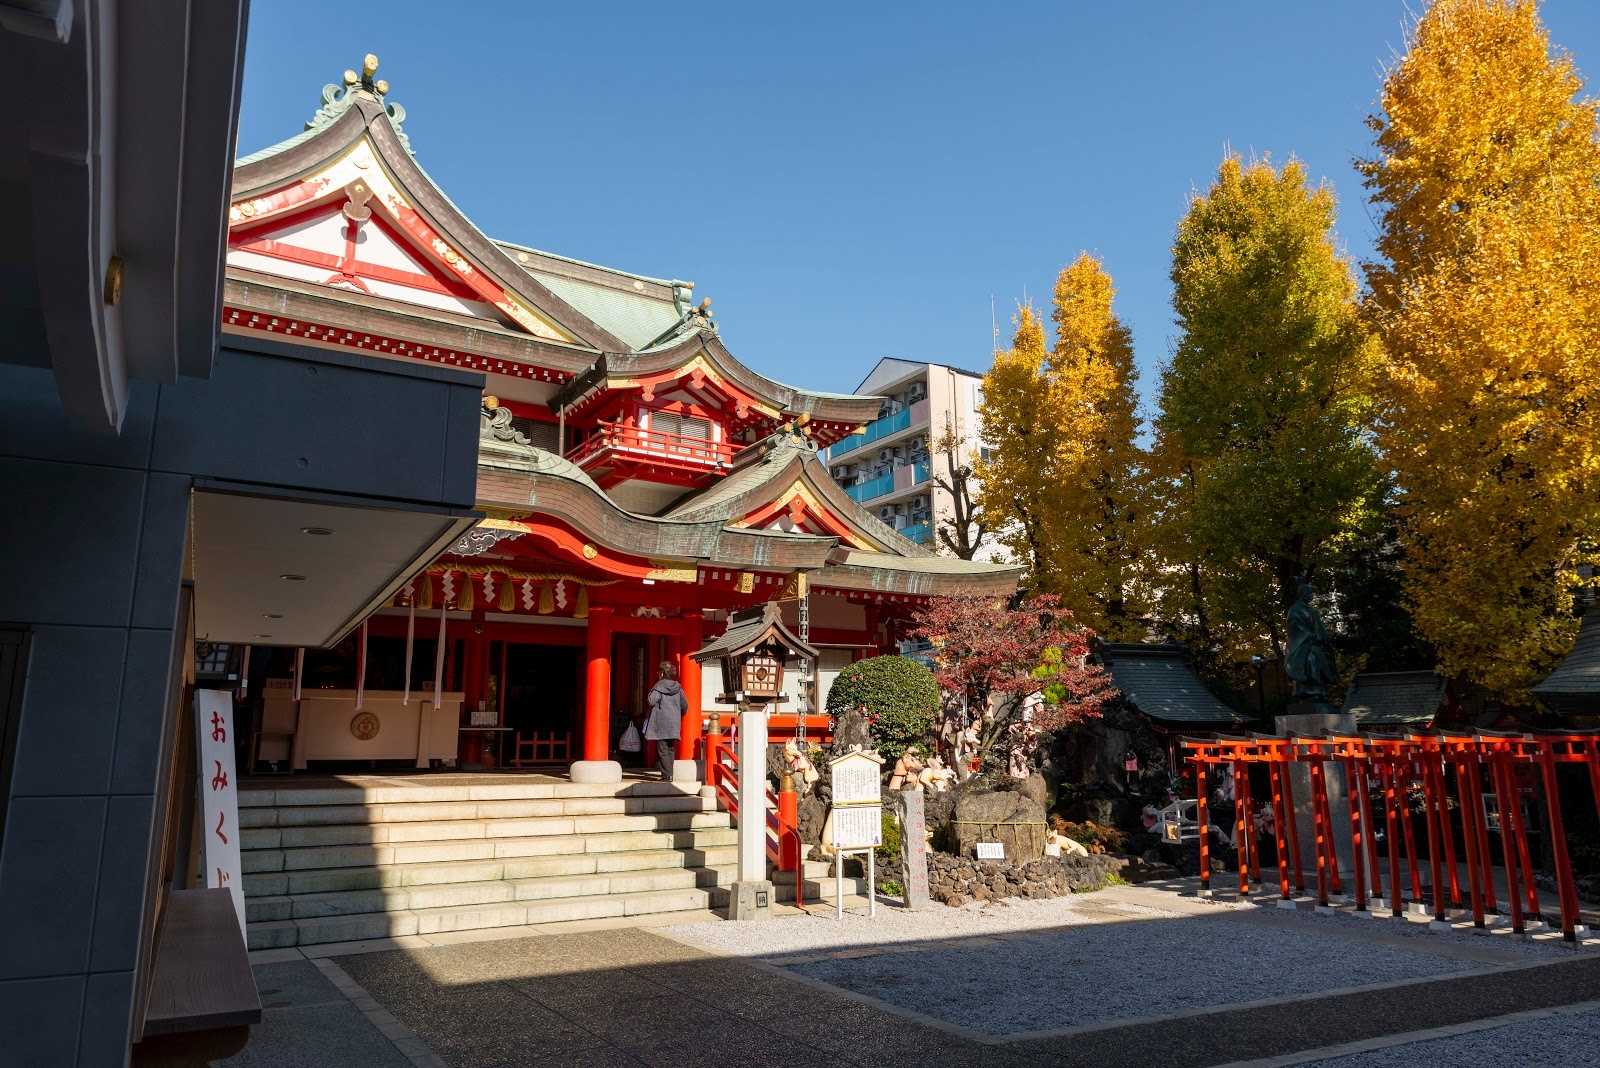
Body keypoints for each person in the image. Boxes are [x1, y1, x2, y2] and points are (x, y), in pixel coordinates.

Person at [643, 660, 687, 781]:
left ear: (662, 673)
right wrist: (677, 715)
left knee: (662, 749)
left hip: (661, 723)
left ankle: (666, 775)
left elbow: (651, 701)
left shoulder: (659, 686)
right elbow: (685, 705)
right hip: (674, 724)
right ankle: (669, 774)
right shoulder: (678, 688)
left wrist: (653, 689)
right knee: (671, 749)